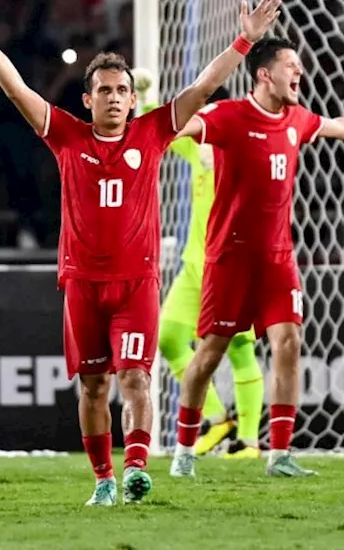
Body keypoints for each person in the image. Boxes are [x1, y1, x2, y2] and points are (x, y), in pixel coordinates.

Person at [0, 0, 281, 505]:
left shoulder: (152, 134)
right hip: (82, 283)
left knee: (135, 378)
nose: (112, 98)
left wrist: (243, 44)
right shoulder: (67, 136)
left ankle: (134, 469)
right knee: (92, 388)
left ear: (133, 98)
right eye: (102, 91)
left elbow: (201, 87)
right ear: (88, 99)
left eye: (120, 91)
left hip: (136, 284)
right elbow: (18, 92)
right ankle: (103, 480)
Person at [168, 38, 344, 478]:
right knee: (208, 354)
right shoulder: (227, 116)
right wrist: (150, 129)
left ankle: (279, 454)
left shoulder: (297, 119)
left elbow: (338, 125)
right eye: (291, 66)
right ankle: (184, 450)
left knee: (289, 343)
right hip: (229, 260)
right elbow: (179, 127)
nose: (299, 73)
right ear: (265, 74)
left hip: (278, 259)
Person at [134, 76, 263, 459]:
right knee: (170, 338)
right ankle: (216, 418)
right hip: (194, 267)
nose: (201, 123)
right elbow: (156, 132)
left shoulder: (245, 146)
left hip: (231, 266)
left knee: (240, 350)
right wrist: (145, 97)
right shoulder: (198, 149)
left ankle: (250, 441)